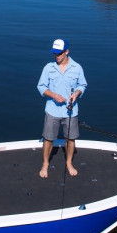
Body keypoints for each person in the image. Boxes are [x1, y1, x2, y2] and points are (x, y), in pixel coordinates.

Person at [37, 38, 87, 178]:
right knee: (48, 138)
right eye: (54, 53)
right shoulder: (48, 68)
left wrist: (77, 93)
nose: (56, 56)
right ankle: (45, 164)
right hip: (52, 110)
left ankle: (69, 163)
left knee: (70, 139)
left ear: (66, 52)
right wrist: (53, 95)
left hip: (71, 111)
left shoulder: (77, 68)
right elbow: (41, 87)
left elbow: (82, 85)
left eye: (59, 53)